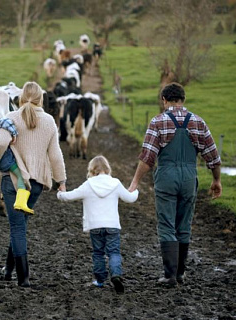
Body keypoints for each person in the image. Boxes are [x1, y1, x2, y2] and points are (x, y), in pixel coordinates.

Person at [128, 82, 222, 288]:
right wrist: (216, 180)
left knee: (166, 224)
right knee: (184, 224)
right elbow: (213, 157)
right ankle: (180, 273)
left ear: (164, 100)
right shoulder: (198, 122)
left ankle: (170, 275)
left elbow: (147, 157)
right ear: (183, 100)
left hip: (167, 177)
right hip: (189, 177)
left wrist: (135, 182)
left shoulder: (158, 121)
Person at [0, 81, 67, 287]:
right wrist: (61, 180)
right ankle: (8, 270)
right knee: (20, 225)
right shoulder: (49, 121)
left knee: (17, 227)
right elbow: (55, 154)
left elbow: (0, 143)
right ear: (41, 99)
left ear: (21, 98)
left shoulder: (11, 118)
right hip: (37, 184)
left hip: (14, 182)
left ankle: (23, 278)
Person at [56, 155, 138, 293]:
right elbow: (129, 198)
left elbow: (69, 196)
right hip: (112, 226)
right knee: (114, 252)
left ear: (92, 169)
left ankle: (100, 281)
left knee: (98, 253)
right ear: (107, 168)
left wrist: (60, 193)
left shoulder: (88, 184)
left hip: (95, 226)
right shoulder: (116, 183)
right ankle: (116, 275)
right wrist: (135, 191)